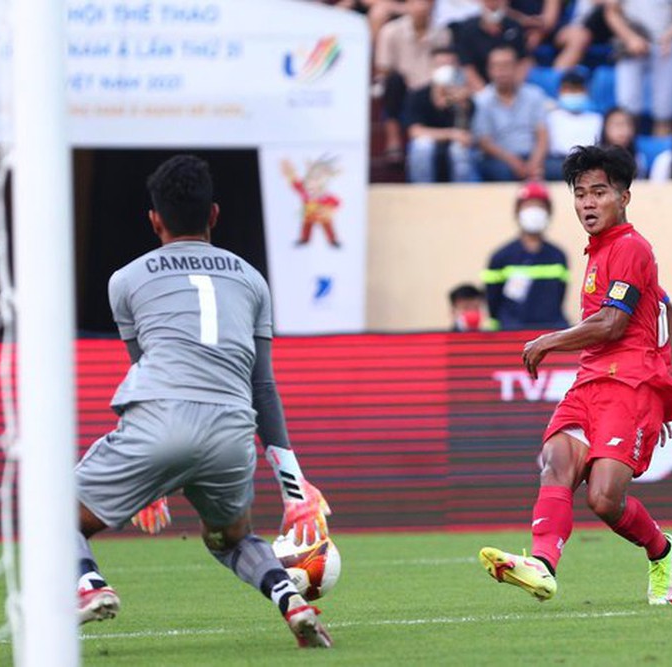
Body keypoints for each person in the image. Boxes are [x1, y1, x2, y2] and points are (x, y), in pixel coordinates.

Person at [74, 155, 333, 648]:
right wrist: (294, 489)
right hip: (232, 433)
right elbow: (264, 387)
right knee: (231, 540)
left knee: (54, 516)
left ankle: (89, 586)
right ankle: (291, 600)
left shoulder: (124, 281)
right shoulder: (253, 280)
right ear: (213, 214)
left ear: (155, 220)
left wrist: (152, 485)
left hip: (159, 424)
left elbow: (146, 367)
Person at [478, 145, 672, 606]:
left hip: (628, 386)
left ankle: (661, 550)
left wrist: (654, 382)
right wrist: (662, 374)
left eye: (599, 192)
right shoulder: (599, 252)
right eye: (580, 193)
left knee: (604, 500)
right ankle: (542, 565)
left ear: (624, 197)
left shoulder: (632, 247)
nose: (588, 203)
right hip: (591, 381)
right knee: (555, 461)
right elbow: (667, 310)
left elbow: (614, 323)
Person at [482, 181, 569, 330]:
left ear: (549, 211)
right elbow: (492, 301)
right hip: (511, 334)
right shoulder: (500, 257)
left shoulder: (558, 256)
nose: (534, 211)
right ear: (517, 211)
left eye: (540, 206)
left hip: (550, 333)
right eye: (528, 205)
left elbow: (559, 296)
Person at [375, 0, 452, 163]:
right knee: (392, 82)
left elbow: (447, 65)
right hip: (402, 89)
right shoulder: (390, 31)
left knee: (448, 80)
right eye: (417, 2)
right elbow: (383, 68)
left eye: (426, 3)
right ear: (407, 5)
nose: (422, 7)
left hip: (432, 89)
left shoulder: (443, 33)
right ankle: (393, 139)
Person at [604, 0, 672, 136]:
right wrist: (630, 38)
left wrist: (668, 37)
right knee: (627, 106)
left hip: (665, 46)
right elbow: (612, 13)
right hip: (630, 43)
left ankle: (660, 151)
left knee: (664, 109)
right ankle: (628, 151)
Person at [472, 45, 549, 181]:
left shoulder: (535, 95)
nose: (501, 70)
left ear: (517, 67)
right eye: (496, 66)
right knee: (502, 172)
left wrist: (534, 163)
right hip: (499, 159)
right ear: (489, 70)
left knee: (565, 170)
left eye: (506, 65)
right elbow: (484, 142)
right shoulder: (481, 100)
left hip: (532, 156)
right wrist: (513, 162)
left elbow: (542, 135)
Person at [405, 48, 477, 182]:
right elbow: (415, 131)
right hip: (431, 144)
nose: (445, 70)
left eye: (449, 65)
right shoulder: (417, 96)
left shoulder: (464, 99)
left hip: (456, 147)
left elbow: (465, 135)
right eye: (440, 65)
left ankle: (464, 196)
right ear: (432, 68)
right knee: (422, 146)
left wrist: (462, 106)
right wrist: (450, 133)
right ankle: (421, 194)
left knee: (460, 150)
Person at [453, 0, 532, 93]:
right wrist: (484, 94)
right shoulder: (467, 29)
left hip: (512, 88)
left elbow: (524, 61)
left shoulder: (514, 26)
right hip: (479, 89)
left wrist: (514, 89)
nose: (493, 4)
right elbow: (467, 66)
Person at [545, 69, 604, 180]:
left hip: (588, 163)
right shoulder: (551, 117)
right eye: (568, 89)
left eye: (577, 89)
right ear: (560, 91)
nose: (573, 93)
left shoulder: (597, 119)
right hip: (557, 163)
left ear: (585, 91)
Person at [599, 107, 648, 177]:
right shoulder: (595, 160)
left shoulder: (639, 159)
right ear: (605, 128)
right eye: (618, 125)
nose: (624, 130)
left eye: (628, 125)